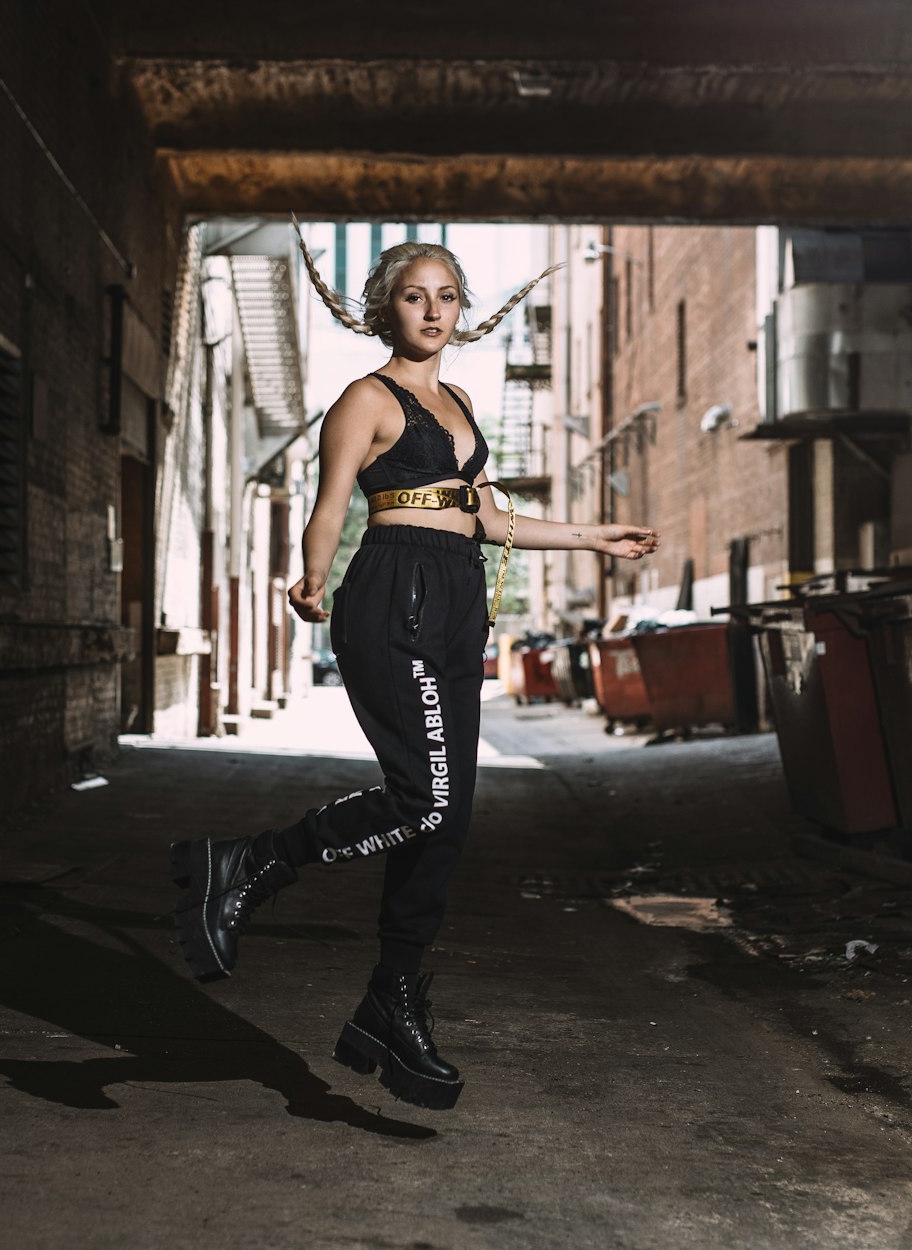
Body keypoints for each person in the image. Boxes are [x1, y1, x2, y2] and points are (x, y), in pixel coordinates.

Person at [170, 227, 661, 1111]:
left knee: (448, 819)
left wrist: (593, 535)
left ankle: (391, 998)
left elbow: (484, 518)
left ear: (462, 309)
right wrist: (312, 576)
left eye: (446, 296)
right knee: (423, 798)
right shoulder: (369, 397)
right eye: (414, 296)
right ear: (384, 309)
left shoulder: (464, 405)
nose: (433, 310)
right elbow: (329, 507)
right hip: (394, 596)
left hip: (456, 599)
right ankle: (250, 863)